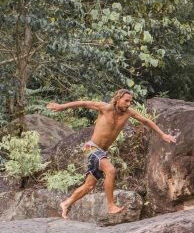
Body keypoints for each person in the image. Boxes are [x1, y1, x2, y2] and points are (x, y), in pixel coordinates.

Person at [46, 88, 177, 219]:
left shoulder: (128, 113)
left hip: (101, 152)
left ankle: (66, 203)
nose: (128, 104)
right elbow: (83, 103)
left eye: (130, 102)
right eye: (126, 101)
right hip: (91, 148)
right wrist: (62, 106)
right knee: (110, 170)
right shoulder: (104, 108)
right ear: (118, 99)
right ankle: (111, 206)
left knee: (89, 185)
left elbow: (146, 121)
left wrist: (162, 134)